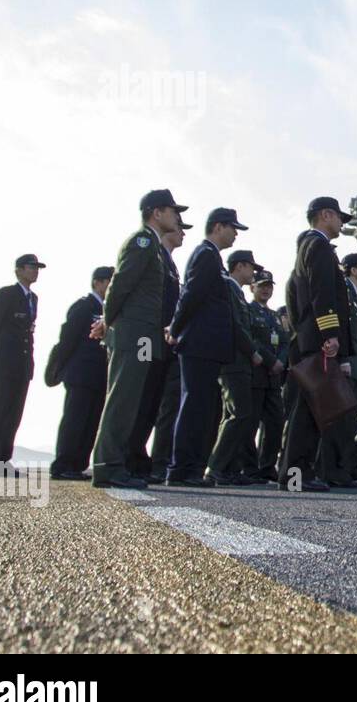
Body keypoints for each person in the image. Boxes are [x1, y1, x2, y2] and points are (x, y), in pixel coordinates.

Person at [93, 190, 185, 489]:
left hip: (145, 336)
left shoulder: (155, 248)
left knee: (134, 399)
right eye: (172, 211)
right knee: (123, 397)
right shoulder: (142, 242)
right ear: (156, 213)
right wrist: (108, 322)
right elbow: (118, 287)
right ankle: (107, 466)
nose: (177, 217)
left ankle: (120, 462)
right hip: (133, 333)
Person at [280, 198, 353, 493]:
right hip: (317, 342)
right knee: (308, 411)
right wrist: (329, 334)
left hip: (307, 339)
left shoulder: (305, 248)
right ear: (326, 215)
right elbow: (323, 295)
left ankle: (296, 474)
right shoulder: (320, 247)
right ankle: (296, 476)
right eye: (339, 218)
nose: (342, 224)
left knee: (307, 409)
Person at [168, 208, 245, 487]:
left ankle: (189, 467)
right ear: (217, 227)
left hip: (207, 347)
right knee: (194, 407)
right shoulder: (205, 255)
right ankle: (181, 469)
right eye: (232, 227)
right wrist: (175, 329)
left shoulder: (213, 257)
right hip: (198, 344)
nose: (235, 233)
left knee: (201, 408)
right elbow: (190, 295)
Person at [0, 254, 44, 475]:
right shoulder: (6, 294)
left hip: (22, 364)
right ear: (18, 270)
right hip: (5, 361)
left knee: (14, 415)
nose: (35, 271)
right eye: (31, 267)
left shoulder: (33, 298)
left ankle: (2, 461)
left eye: (37, 268)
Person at [49, 266, 113, 479]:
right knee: (75, 420)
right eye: (108, 281)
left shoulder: (108, 310)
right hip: (80, 373)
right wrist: (61, 368)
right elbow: (67, 338)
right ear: (97, 282)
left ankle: (77, 464)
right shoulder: (84, 306)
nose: (111, 285)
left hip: (99, 375)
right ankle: (63, 464)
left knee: (91, 421)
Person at [206, 249, 265, 484]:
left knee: (234, 414)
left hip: (240, 362)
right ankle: (215, 467)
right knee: (238, 413)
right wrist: (252, 351)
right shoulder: (228, 287)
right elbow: (235, 325)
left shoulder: (236, 291)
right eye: (251, 267)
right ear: (239, 266)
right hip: (234, 360)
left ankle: (229, 469)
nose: (253, 273)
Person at [141, 220, 187, 482]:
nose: (182, 233)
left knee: (165, 406)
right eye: (180, 228)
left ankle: (158, 462)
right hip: (149, 342)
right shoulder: (153, 252)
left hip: (167, 345)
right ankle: (134, 460)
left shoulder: (169, 262)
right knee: (145, 401)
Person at [326, 252, 357, 486]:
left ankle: (341, 468)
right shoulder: (344, 291)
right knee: (340, 419)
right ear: (353, 270)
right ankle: (332, 469)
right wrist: (343, 358)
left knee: (349, 420)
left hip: (353, 363)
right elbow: (338, 325)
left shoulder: (355, 295)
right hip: (344, 362)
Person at [246, 269, 286, 483]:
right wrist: (272, 361)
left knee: (275, 422)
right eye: (262, 286)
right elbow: (252, 339)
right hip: (257, 374)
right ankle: (249, 467)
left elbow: (285, 341)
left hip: (274, 378)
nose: (266, 290)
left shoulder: (274, 317)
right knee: (250, 423)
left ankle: (267, 465)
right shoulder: (249, 311)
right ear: (252, 287)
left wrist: (281, 361)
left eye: (269, 286)